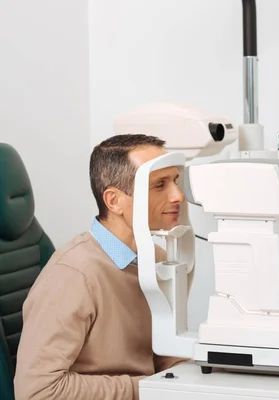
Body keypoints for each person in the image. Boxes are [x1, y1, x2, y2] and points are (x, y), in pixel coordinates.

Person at [14, 134, 188, 400]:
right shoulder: (73, 275)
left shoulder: (157, 259)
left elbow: (167, 359)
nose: (178, 195)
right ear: (114, 200)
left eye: (175, 181)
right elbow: (37, 391)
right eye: (159, 185)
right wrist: (149, 389)